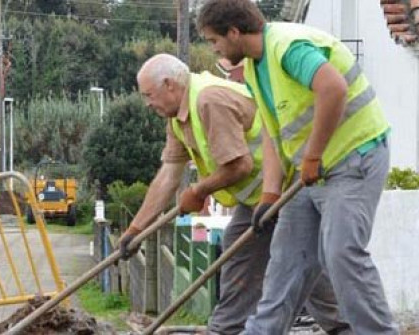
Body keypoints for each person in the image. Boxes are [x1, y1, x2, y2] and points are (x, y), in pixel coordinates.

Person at [197, 0, 399, 334]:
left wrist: (312, 156)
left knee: (341, 254)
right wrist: (270, 194)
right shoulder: (253, 68)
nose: (214, 49)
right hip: (312, 175)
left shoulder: (286, 47)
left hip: (354, 159)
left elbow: (333, 88)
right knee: (286, 261)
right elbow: (274, 134)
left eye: (213, 40)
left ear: (233, 32)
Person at [119, 53, 351, 335]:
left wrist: (199, 190)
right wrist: (136, 228)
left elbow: (241, 165)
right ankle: (345, 325)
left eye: (149, 95)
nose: (148, 103)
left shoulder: (209, 100)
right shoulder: (177, 118)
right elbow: (168, 176)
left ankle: (227, 329)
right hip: (258, 199)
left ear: (169, 84)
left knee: (285, 258)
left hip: (285, 189)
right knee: (290, 259)